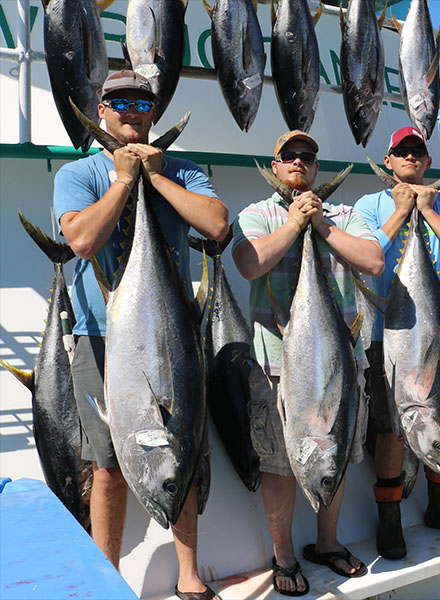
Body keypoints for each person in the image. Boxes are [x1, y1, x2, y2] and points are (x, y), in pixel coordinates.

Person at [54, 70, 229, 600]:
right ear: (101, 111)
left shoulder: (183, 170)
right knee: (107, 466)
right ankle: (108, 579)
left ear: (152, 114)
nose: (132, 111)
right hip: (100, 334)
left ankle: (190, 575)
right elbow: (81, 239)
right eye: (119, 102)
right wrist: (124, 180)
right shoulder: (77, 172)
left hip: (172, 331)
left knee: (185, 451)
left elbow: (218, 225)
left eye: (142, 103)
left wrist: (154, 177)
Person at [232, 130, 383, 595]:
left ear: (317, 169)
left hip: (341, 364)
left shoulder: (344, 214)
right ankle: (284, 557)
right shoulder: (258, 213)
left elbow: (374, 261)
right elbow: (248, 263)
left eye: (308, 157)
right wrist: (295, 225)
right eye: (289, 156)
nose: (299, 162)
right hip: (279, 366)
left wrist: (321, 225)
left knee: (332, 451)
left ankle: (328, 543)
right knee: (279, 463)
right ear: (275, 167)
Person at [353, 126, 440, 559]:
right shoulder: (369, 205)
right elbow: (368, 257)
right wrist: (400, 210)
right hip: (390, 336)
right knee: (392, 428)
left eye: (417, 152)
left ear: (427, 163)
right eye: (401, 152)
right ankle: (390, 524)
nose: (410, 157)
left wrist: (428, 212)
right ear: (388, 161)